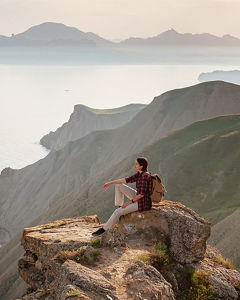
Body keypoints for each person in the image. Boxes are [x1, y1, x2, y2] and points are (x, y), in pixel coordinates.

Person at [92, 157, 153, 237]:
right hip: (139, 197)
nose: (134, 165)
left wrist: (128, 203)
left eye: (136, 164)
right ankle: (120, 205)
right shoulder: (140, 174)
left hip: (143, 202)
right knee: (118, 185)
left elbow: (142, 195)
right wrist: (110, 183)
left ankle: (104, 230)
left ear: (141, 166)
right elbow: (125, 180)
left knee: (117, 212)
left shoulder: (145, 176)